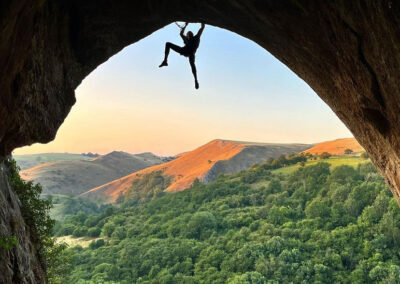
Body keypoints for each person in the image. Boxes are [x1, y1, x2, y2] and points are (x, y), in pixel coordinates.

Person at [159, 22, 205, 89]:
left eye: (189, 33)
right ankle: (165, 61)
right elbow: (181, 34)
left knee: (192, 65)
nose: (188, 34)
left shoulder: (196, 37)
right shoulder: (187, 40)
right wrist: (185, 25)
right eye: (188, 34)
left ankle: (195, 80)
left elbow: (202, 28)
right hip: (184, 51)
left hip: (190, 53)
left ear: (192, 34)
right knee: (168, 44)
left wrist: (202, 21)